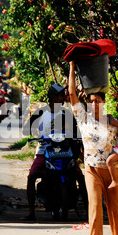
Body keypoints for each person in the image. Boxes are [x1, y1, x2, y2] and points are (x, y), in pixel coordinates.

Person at [68, 61, 118, 235]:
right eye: (91, 101)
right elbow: (72, 94)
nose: (94, 104)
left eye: (98, 101)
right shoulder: (83, 118)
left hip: (112, 170)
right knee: (94, 207)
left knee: (115, 208)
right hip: (91, 170)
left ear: (103, 103)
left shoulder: (112, 122)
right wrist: (73, 67)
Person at [24, 82, 87, 221]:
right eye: (60, 96)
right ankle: (31, 212)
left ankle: (89, 211)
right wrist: (37, 134)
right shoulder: (41, 112)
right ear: (53, 97)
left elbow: (76, 131)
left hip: (65, 151)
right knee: (32, 176)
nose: (63, 98)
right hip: (44, 151)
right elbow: (27, 128)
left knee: (80, 176)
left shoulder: (67, 113)